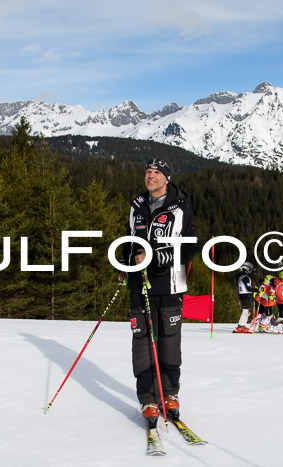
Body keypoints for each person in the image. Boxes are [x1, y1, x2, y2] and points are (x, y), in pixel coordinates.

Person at [118, 158, 197, 427]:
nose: (150, 176)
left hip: (171, 283)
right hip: (139, 284)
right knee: (141, 341)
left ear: (167, 178)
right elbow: (127, 240)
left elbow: (188, 248)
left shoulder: (180, 206)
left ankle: (169, 394)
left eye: (156, 173)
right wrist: (123, 264)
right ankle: (148, 398)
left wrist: (152, 257)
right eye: (148, 172)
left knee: (168, 341)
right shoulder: (136, 207)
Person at [233, 262, 254, 333]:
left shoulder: (241, 276)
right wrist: (255, 289)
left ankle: (243, 325)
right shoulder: (245, 277)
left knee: (247, 311)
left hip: (243, 295)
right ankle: (241, 326)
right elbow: (248, 287)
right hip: (245, 295)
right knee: (245, 311)